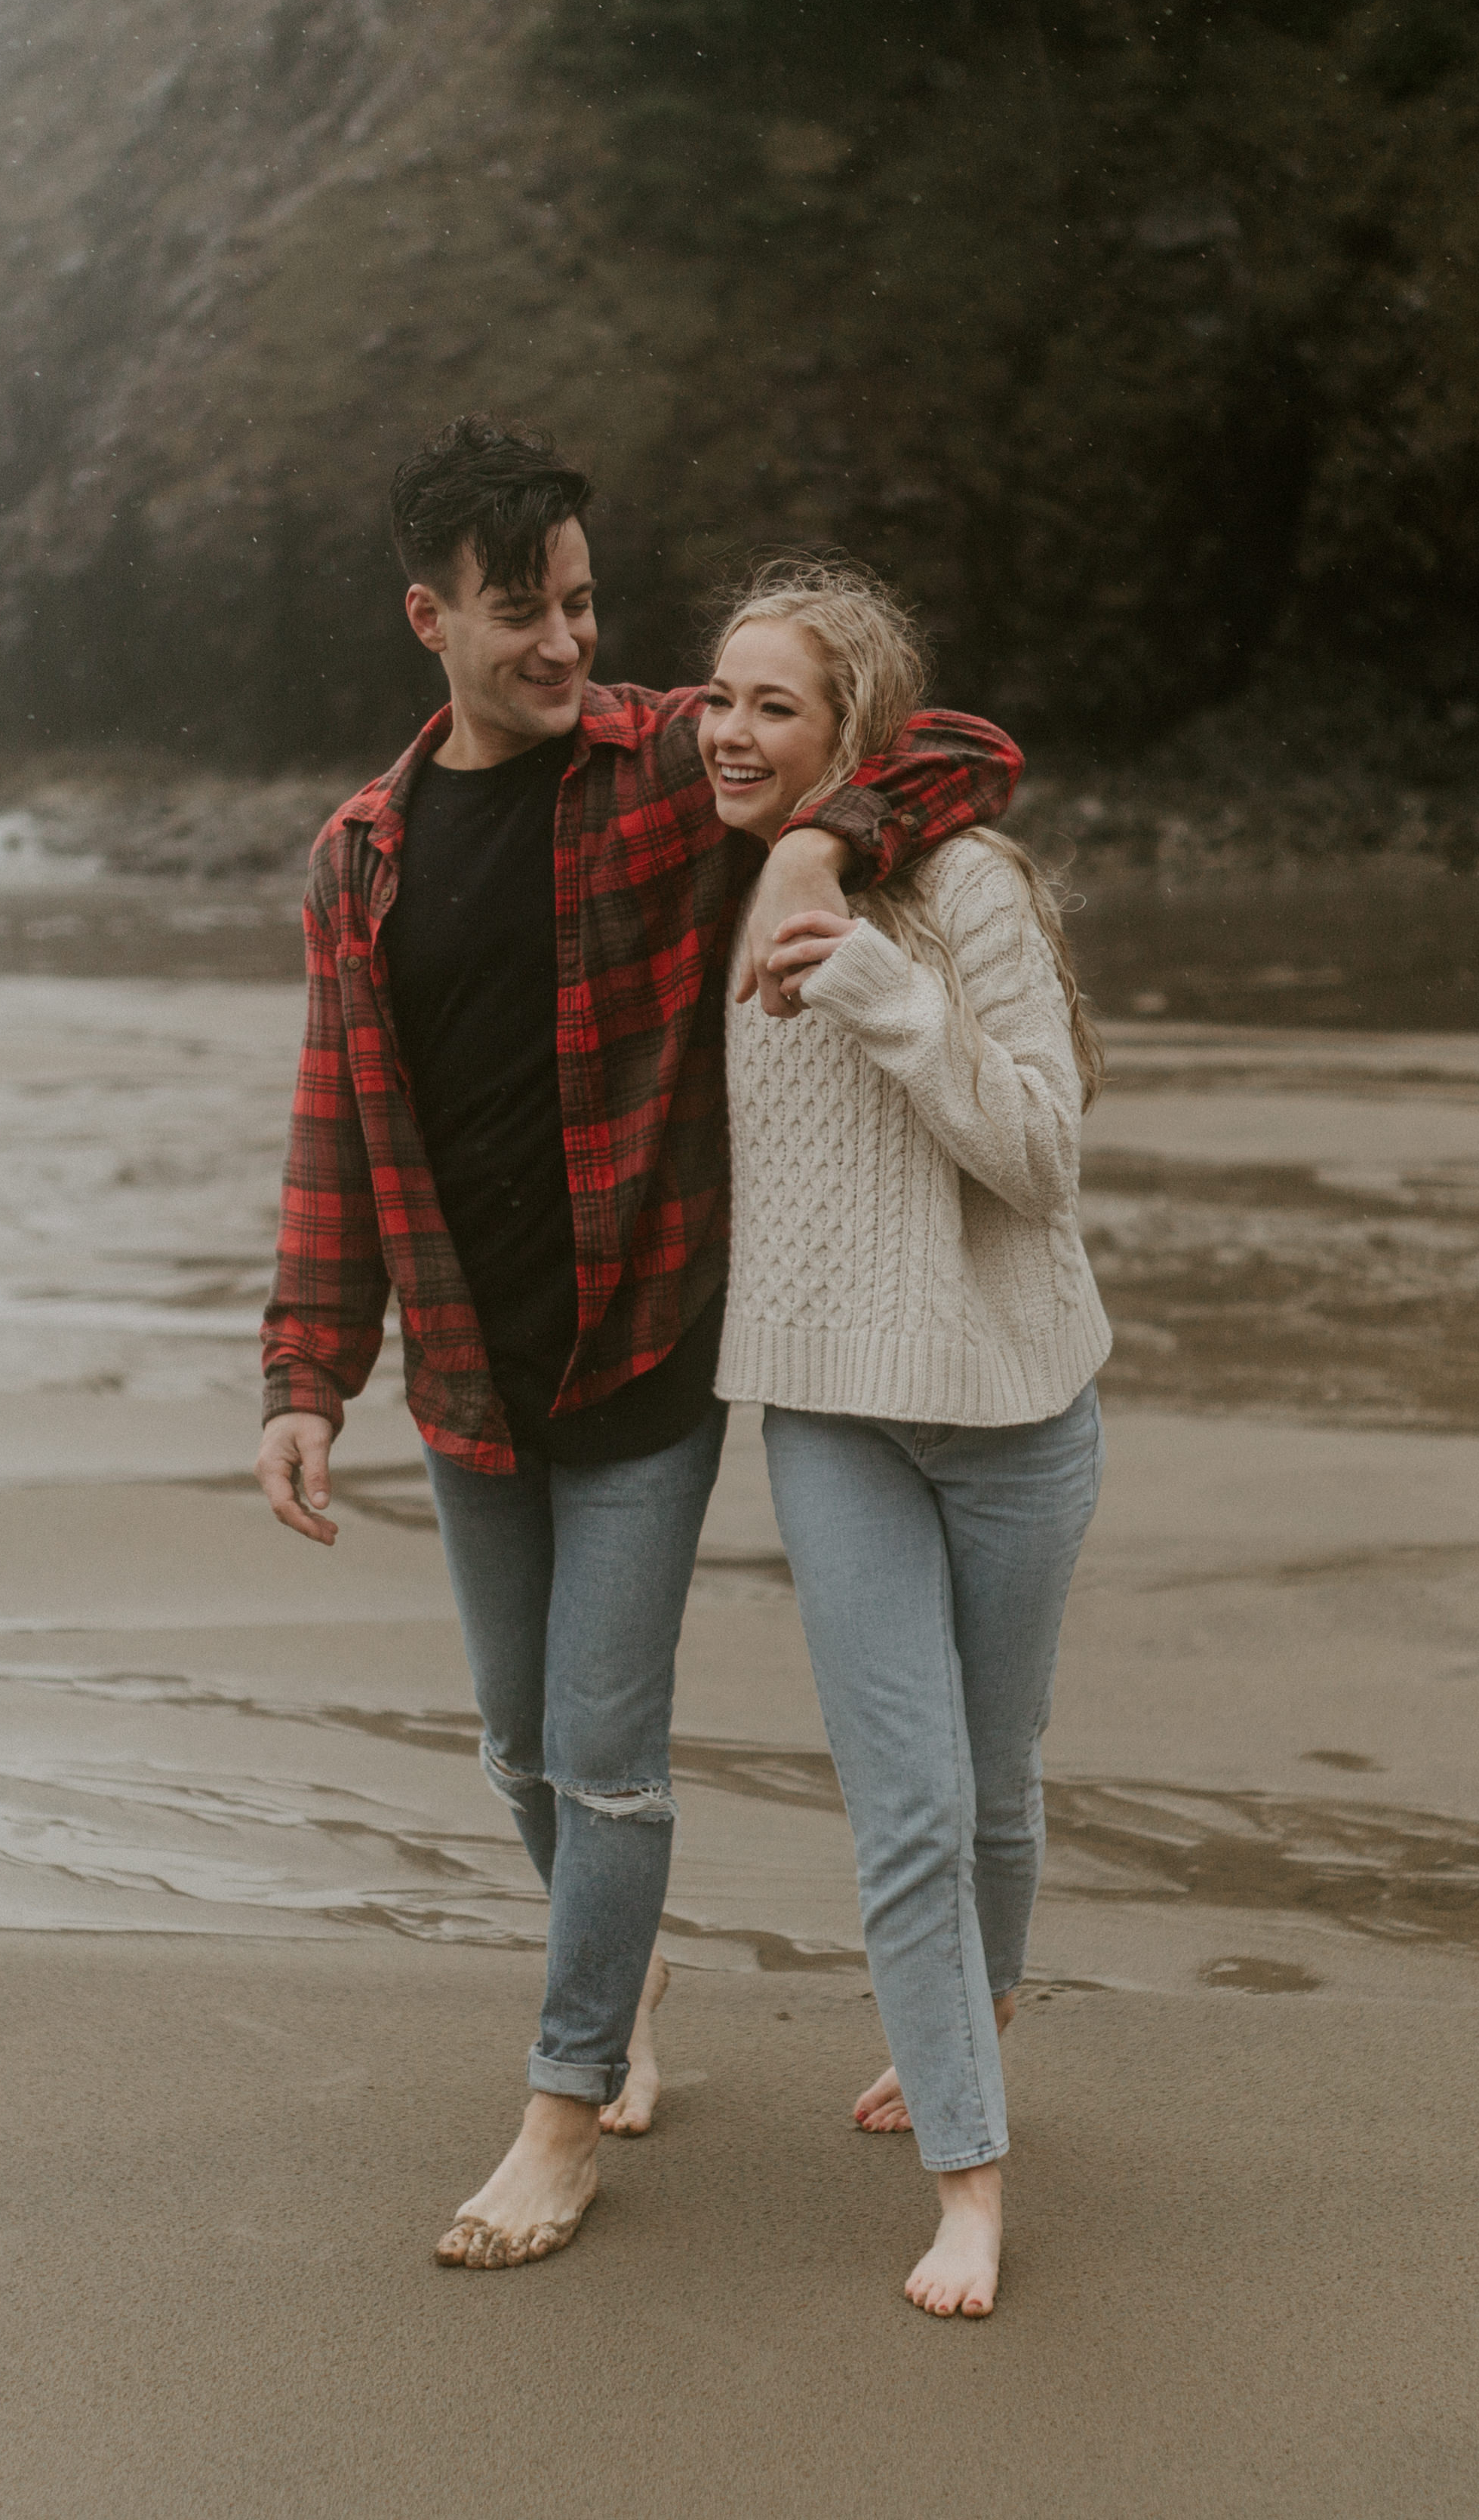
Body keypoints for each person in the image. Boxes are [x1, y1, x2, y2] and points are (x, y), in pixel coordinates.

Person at [254, 423, 1023, 2270]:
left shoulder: (672, 767)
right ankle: (624, 1970)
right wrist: (301, 1373)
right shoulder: (359, 858)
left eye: (586, 604)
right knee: (522, 1760)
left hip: (641, 1364)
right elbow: (334, 1127)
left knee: (605, 1763)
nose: (566, 644)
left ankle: (558, 2109)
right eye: (524, 612)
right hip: (463, 1376)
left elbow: (962, 746)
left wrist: (819, 843)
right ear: (430, 617)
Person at [702, 556, 1112, 2319]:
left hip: (1016, 1408)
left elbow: (1040, 1155)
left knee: (998, 1779)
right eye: (715, 699)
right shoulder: (706, 870)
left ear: (849, 734)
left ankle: (974, 2010)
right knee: (910, 1800)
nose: (726, 732)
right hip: (826, 1408)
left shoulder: (965, 888)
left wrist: (873, 977)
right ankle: (970, 2165)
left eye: (772, 706)